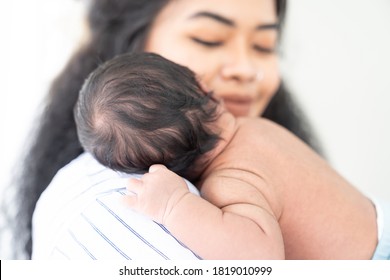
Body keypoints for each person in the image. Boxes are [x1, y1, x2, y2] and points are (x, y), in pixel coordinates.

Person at [5, 0, 328, 259]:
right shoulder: (108, 201)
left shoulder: (235, 173)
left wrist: (174, 206)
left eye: (264, 45)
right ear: (131, 39)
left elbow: (257, 260)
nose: (246, 69)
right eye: (208, 38)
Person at [74, 52, 389, 259]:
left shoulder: (230, 182)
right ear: (202, 86)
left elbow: (261, 258)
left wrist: (174, 206)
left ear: (165, 170)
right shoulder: (257, 126)